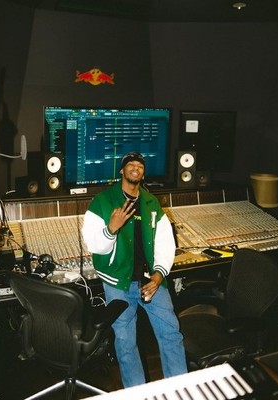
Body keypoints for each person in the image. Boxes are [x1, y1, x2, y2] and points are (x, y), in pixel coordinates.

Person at [82, 151, 188, 388]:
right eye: (130, 164)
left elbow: (164, 242)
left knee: (171, 333)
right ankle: (136, 392)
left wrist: (159, 276)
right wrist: (111, 228)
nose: (135, 168)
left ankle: (180, 389)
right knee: (125, 341)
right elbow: (93, 244)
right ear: (122, 171)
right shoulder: (103, 201)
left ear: (143, 172)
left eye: (139, 165)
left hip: (151, 280)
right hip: (118, 282)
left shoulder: (151, 203)